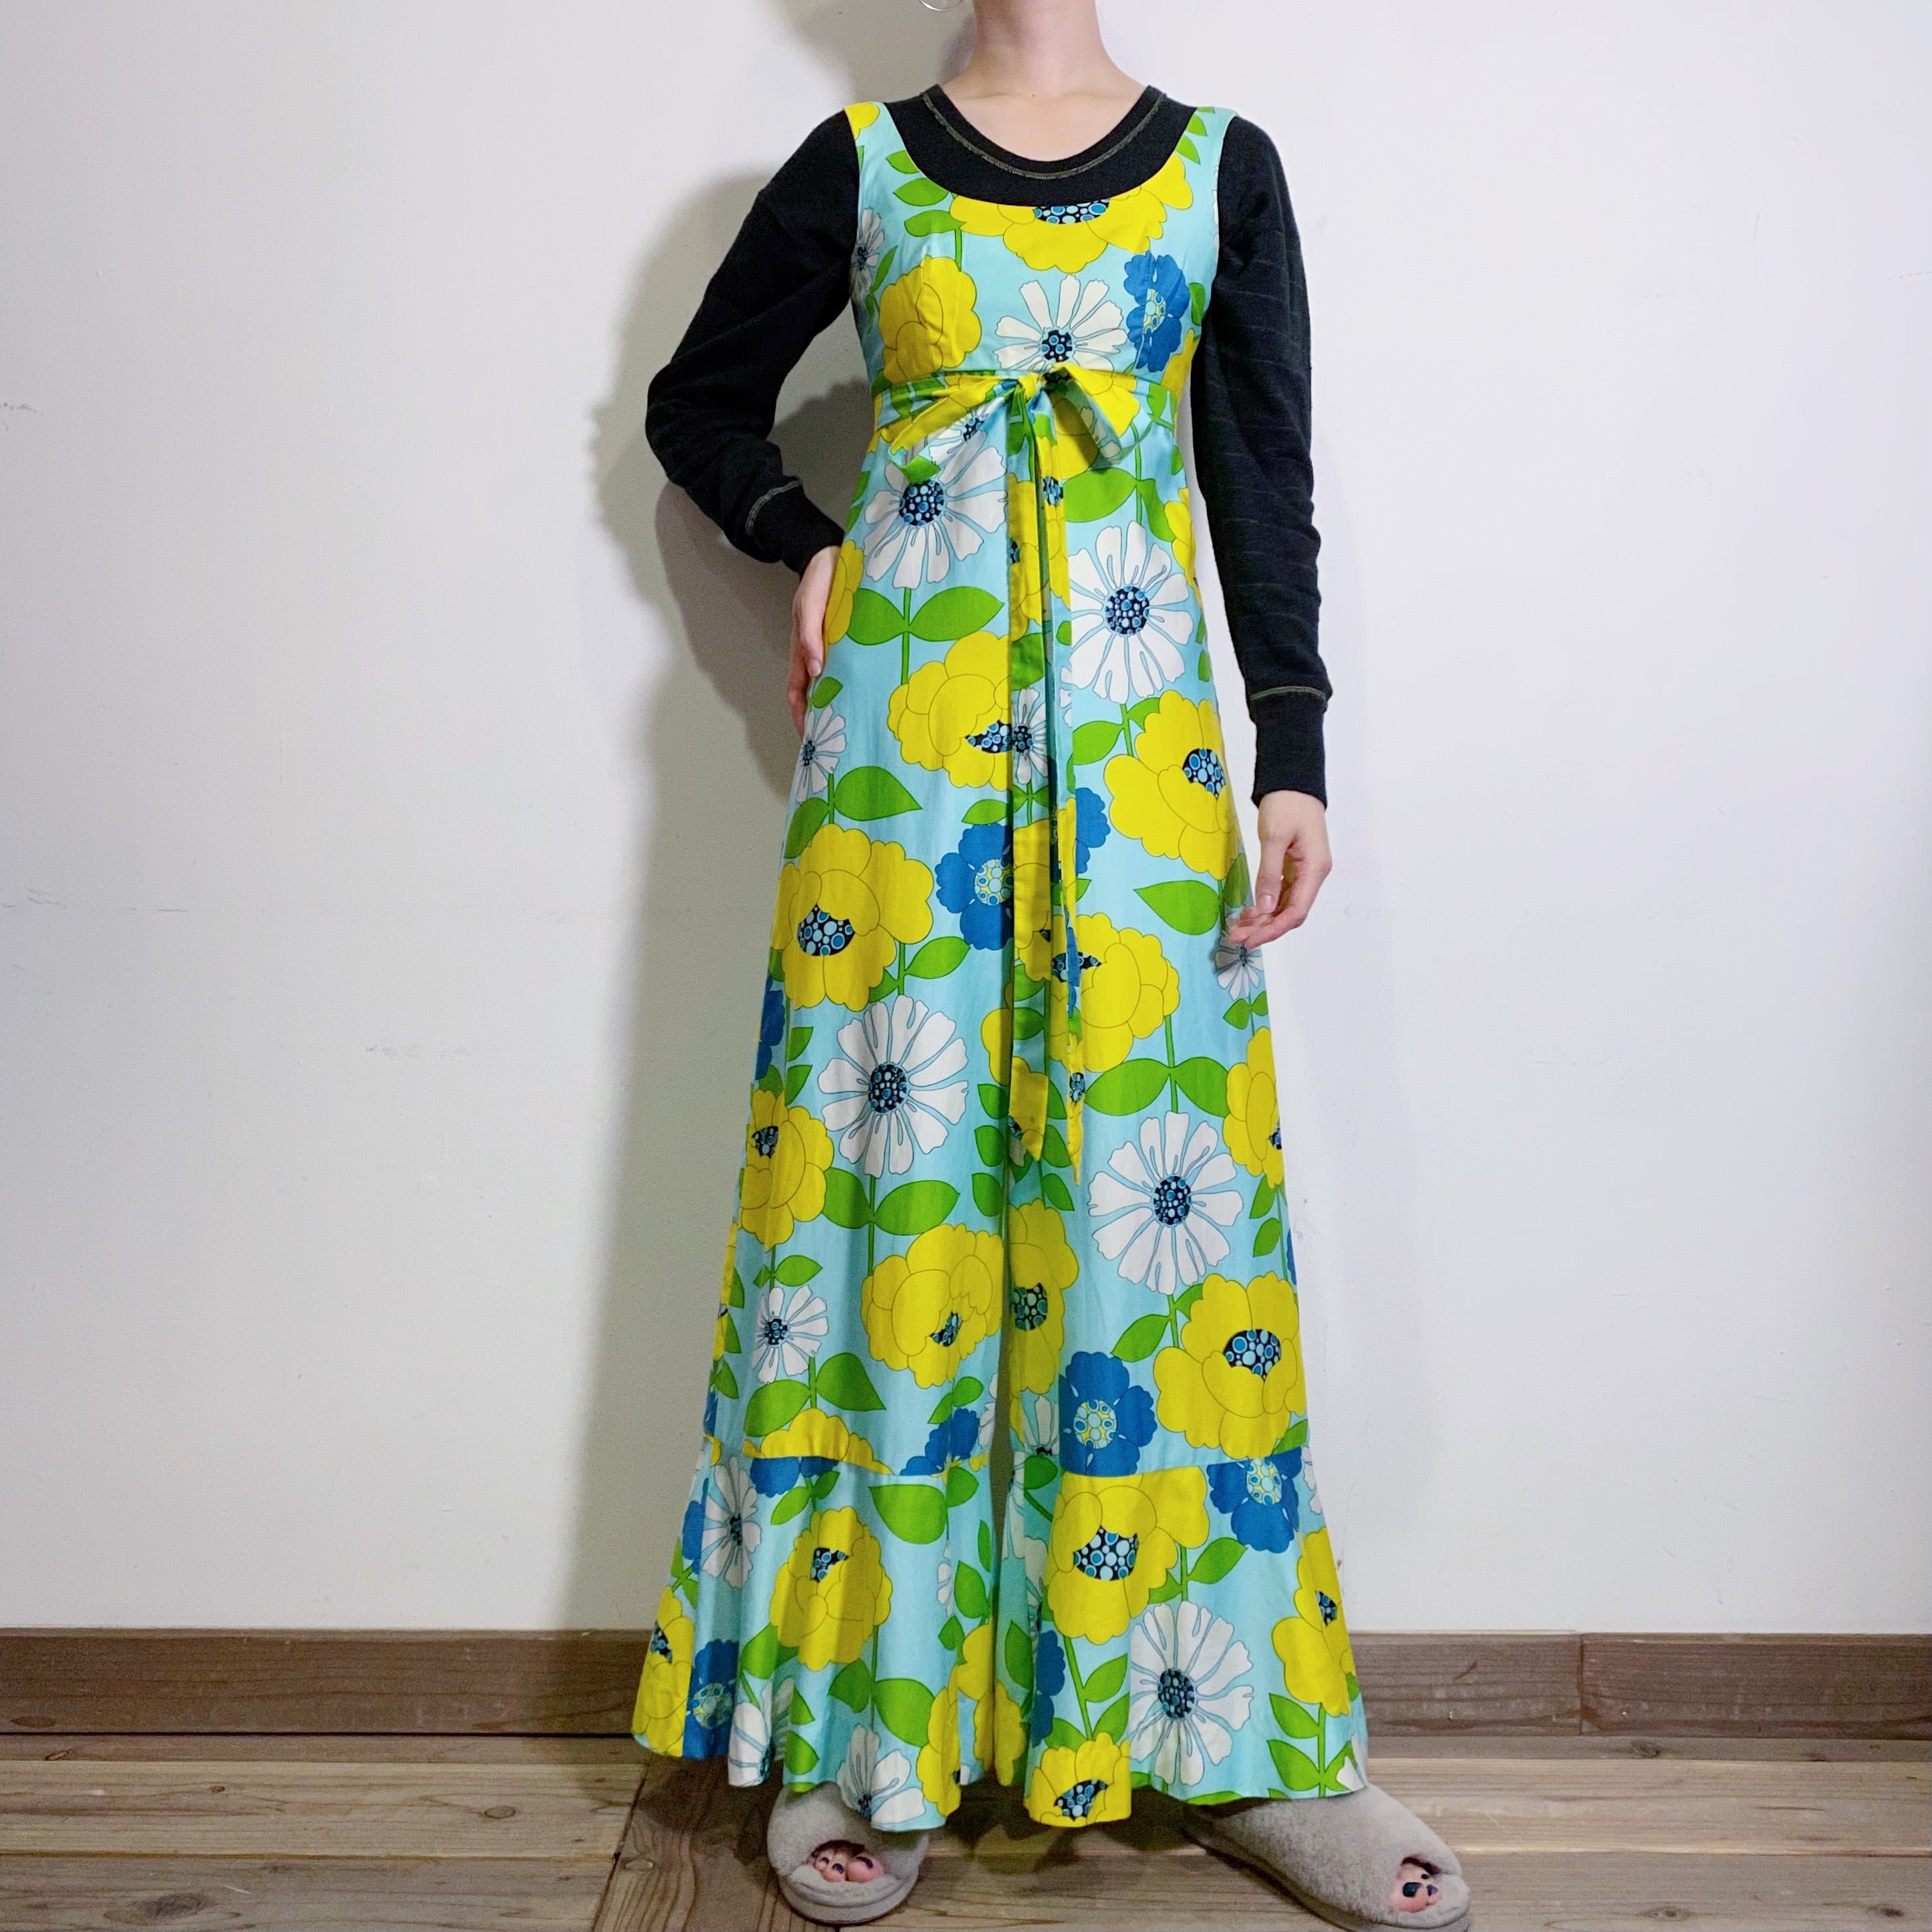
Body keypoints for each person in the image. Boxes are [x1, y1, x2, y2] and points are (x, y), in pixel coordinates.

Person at [630, 5, 1472, 1927]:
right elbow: (697, 404)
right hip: (904, 770)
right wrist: (801, 538)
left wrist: (1292, 748)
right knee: (887, 1205)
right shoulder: (861, 167)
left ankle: (1243, 1735)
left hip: (1137, 768)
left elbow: (1257, 469)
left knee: (1164, 1228)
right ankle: (867, 1724)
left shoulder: (1219, 170)